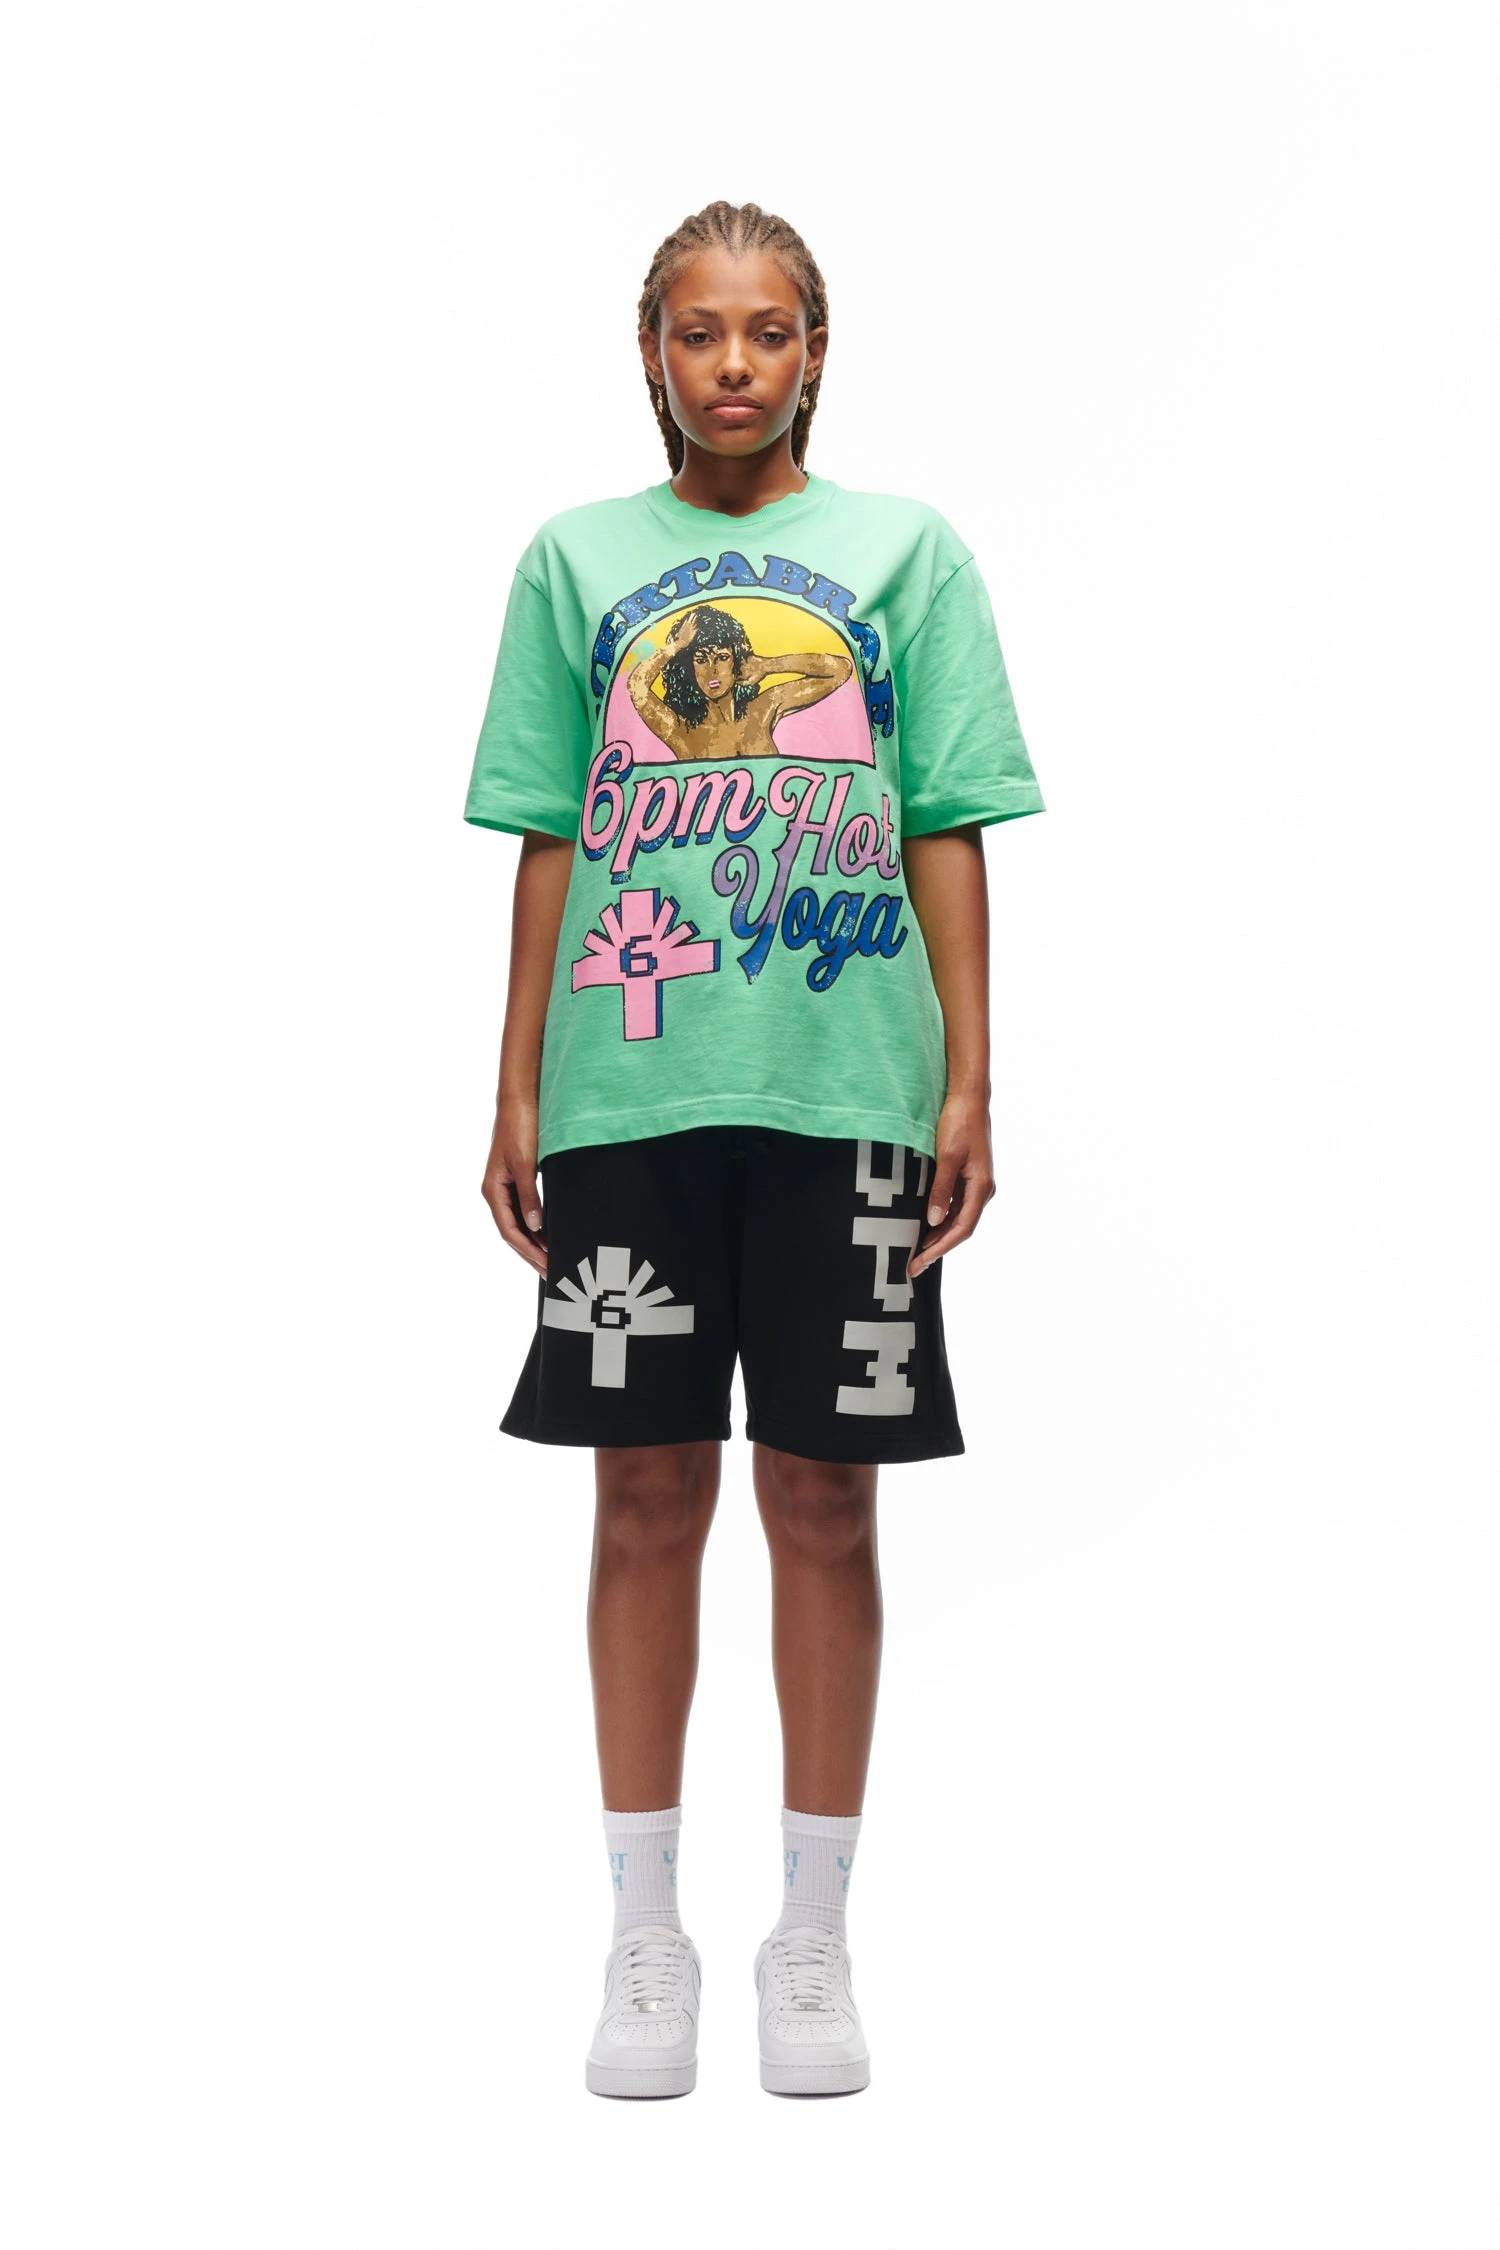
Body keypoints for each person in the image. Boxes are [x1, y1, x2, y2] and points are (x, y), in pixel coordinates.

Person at [464, 199, 1045, 2100]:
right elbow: (552, 829)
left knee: (827, 1498)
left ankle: (815, 1931)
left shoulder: (907, 553)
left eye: (769, 330)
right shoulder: (576, 559)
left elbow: (946, 815)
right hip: (629, 1091)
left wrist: (967, 1079)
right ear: (651, 354)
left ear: (815, 350)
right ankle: (645, 1932)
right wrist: (517, 1086)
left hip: (848, 1087)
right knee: (641, 1497)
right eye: (700, 331)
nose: (734, 362)